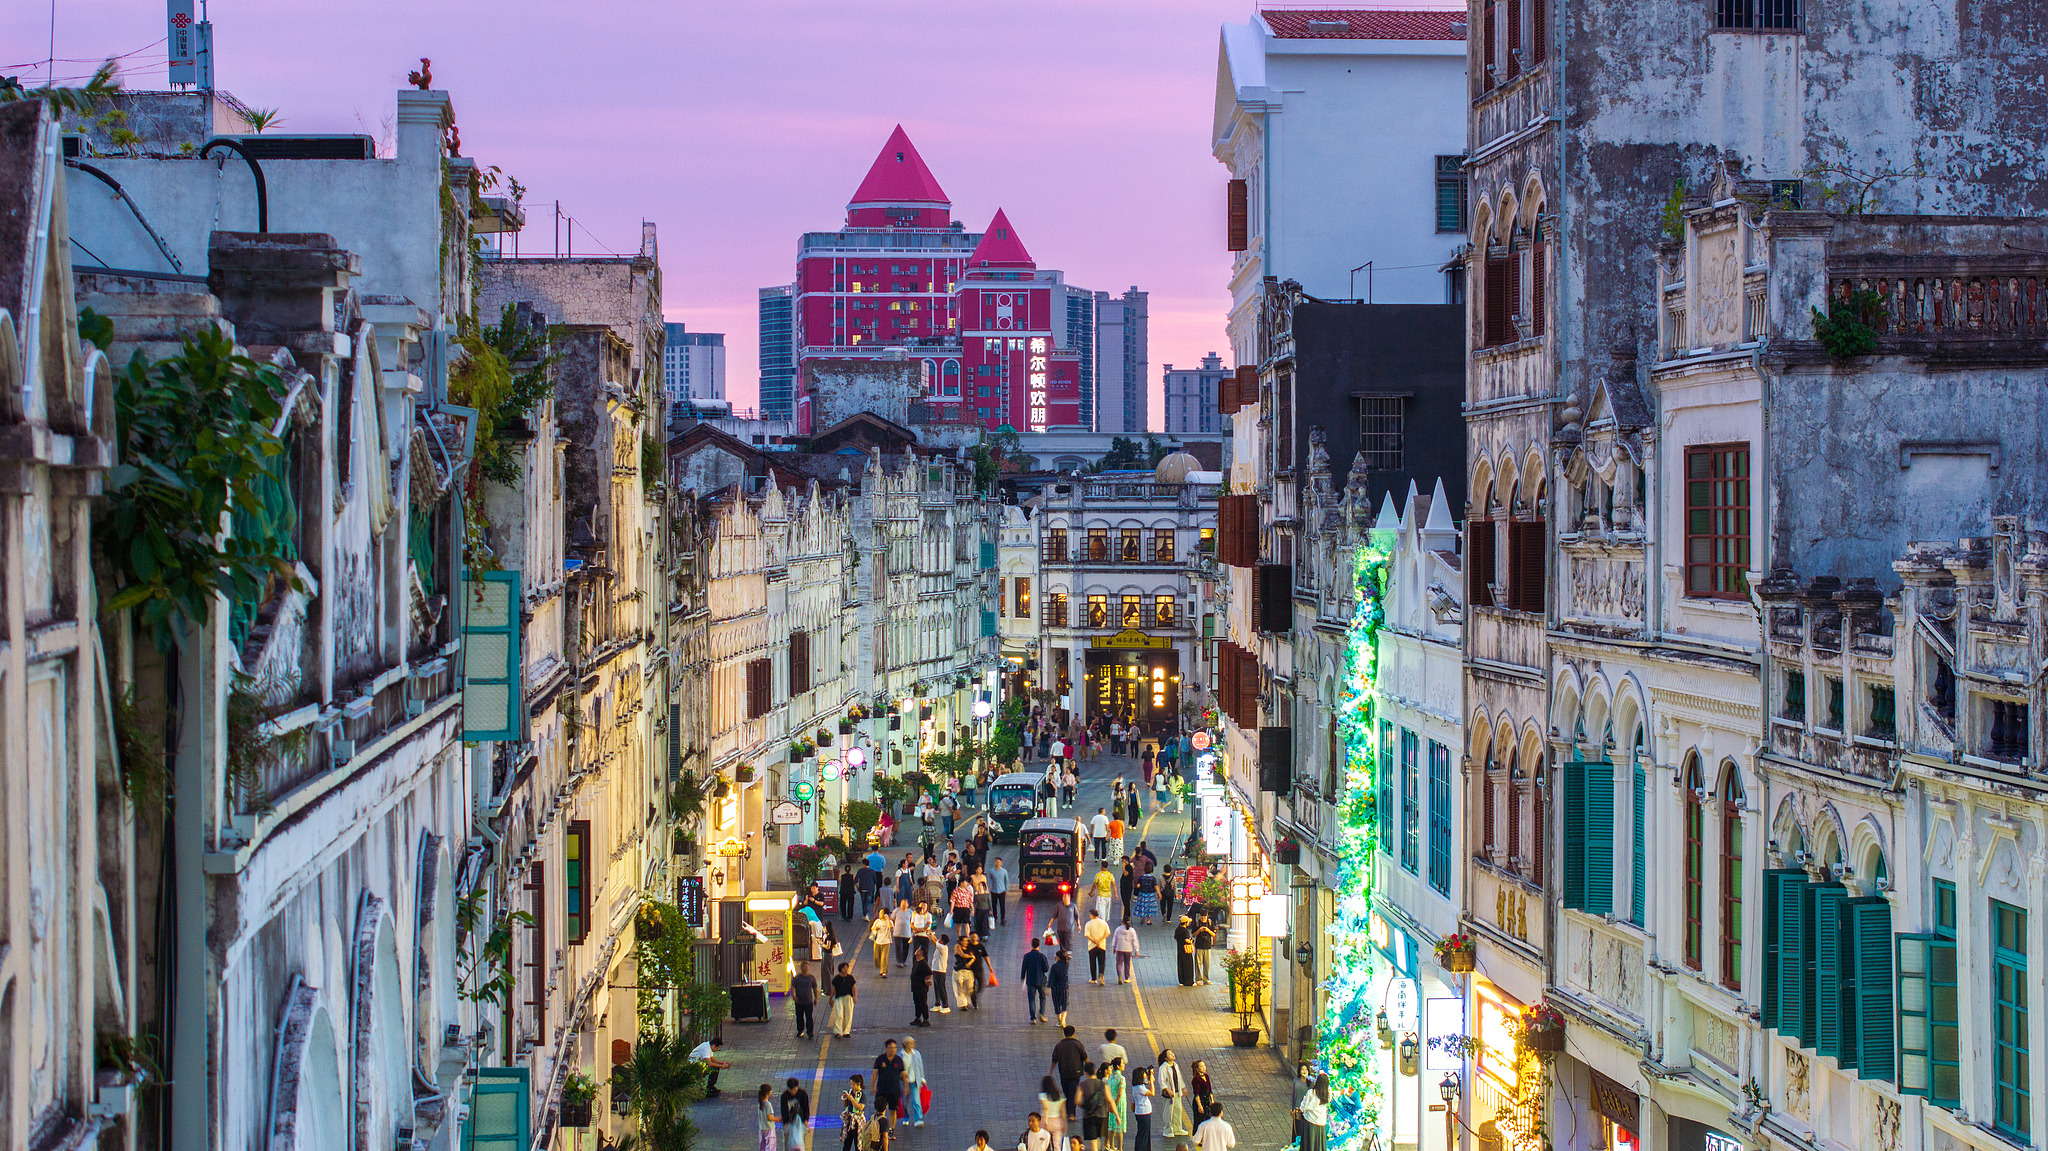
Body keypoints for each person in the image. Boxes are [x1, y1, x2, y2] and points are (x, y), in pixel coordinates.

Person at [1051, 1026, 1089, 1122]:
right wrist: (1090, 1068)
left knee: (1067, 1092)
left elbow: (1054, 1059)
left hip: (1063, 1073)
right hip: (1075, 1073)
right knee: (1073, 1093)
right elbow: (1085, 1057)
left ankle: (1068, 1112)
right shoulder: (1078, 1044)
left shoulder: (1059, 1045)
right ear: (1073, 1033)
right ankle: (1071, 1114)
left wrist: (1050, 1071)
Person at [1155, 1051, 1188, 1146]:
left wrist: (1183, 1087)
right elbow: (1161, 1081)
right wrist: (1167, 1089)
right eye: (1169, 1054)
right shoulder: (1163, 1067)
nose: (1172, 1054)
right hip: (1169, 1094)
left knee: (1178, 1110)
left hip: (1177, 1092)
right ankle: (1168, 1129)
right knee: (1169, 1111)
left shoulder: (1175, 1065)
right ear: (1165, 1058)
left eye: (1172, 1053)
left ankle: (1177, 1128)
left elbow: (1179, 1078)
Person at [872, 1039, 907, 1125]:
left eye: (894, 1048)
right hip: (882, 1089)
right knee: (879, 1111)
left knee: (893, 1110)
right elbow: (875, 1073)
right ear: (886, 1048)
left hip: (894, 1090)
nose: (893, 1050)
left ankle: (891, 1130)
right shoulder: (880, 1059)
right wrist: (873, 1086)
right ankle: (879, 1128)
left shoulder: (899, 1060)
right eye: (891, 1048)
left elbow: (903, 1074)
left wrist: (906, 1086)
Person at [1078, 1063, 1110, 1151]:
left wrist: (1085, 1106)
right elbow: (1110, 1099)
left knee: (1093, 1140)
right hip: (1101, 1114)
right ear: (1095, 1071)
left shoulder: (1083, 1084)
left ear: (1085, 1073)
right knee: (1098, 1138)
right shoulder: (1103, 1084)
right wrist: (1117, 1116)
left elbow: (1077, 1100)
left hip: (1089, 1115)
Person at [1296, 1072, 1329, 1151]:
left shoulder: (1311, 1092)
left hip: (1310, 1121)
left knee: (1309, 1142)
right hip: (1321, 1122)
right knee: (1319, 1143)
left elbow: (1303, 1106)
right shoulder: (1327, 1094)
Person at [1022, 938, 1052, 1022]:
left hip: (1031, 981)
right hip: (1041, 981)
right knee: (1042, 997)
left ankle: (1033, 1018)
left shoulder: (1027, 956)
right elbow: (1046, 969)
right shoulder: (1042, 956)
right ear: (1039, 945)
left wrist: (1023, 977)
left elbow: (1023, 968)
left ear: (1031, 945)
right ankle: (1042, 1014)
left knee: (1031, 999)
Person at [902, 1036, 928, 1127]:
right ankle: (906, 1117)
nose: (913, 1045)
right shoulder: (900, 1055)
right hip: (904, 1082)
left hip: (915, 1081)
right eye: (911, 1043)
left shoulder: (916, 1054)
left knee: (916, 1100)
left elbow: (920, 1067)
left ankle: (918, 1119)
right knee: (904, 1102)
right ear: (906, 1045)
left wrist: (922, 1078)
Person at [780, 1078, 811, 1151]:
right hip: (789, 1121)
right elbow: (784, 1110)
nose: (793, 1092)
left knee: (799, 1137)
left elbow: (806, 1107)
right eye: (791, 1090)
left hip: (800, 1119)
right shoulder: (784, 1096)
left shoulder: (802, 1094)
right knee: (787, 1140)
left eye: (794, 1090)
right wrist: (785, 1122)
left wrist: (806, 1120)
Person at [791, 962, 820, 1040]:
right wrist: (794, 996)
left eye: (806, 966)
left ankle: (810, 1032)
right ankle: (800, 1030)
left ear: (808, 968)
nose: (805, 968)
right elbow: (792, 987)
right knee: (799, 1017)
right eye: (803, 967)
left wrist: (816, 998)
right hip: (799, 1002)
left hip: (808, 1001)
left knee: (809, 1017)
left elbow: (815, 988)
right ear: (801, 968)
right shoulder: (797, 978)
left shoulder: (811, 978)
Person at [1037, 1076, 1069, 1147]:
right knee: (1057, 1145)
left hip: (1044, 1121)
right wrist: (1065, 1124)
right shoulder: (1061, 1096)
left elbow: (1045, 1108)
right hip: (1057, 1122)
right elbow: (1063, 1112)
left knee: (1043, 1144)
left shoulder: (1042, 1096)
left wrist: (1045, 1121)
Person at [830, 962, 859, 1037]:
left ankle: (846, 1031)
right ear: (840, 969)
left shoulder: (850, 978)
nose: (845, 969)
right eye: (844, 968)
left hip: (848, 997)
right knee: (839, 1014)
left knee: (848, 1014)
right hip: (839, 998)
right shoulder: (836, 978)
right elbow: (833, 988)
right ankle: (838, 1031)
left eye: (846, 968)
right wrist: (831, 998)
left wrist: (855, 996)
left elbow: (854, 987)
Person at [1105, 1060, 1128, 1151]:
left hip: (1110, 1102)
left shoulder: (1110, 1077)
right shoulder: (1121, 1078)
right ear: (1118, 1066)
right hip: (1119, 1103)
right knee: (1119, 1127)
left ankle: (1111, 1146)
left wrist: (1109, 1105)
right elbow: (1119, 1094)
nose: (1124, 1065)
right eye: (1122, 1063)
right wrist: (1115, 1104)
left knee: (1111, 1125)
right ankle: (1120, 1148)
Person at [839, 1076, 867, 1151]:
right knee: (847, 1142)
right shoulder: (850, 1091)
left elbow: (860, 1107)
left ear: (859, 1084)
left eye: (853, 1084)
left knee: (858, 1143)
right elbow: (845, 1105)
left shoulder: (862, 1095)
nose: (852, 1086)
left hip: (857, 1122)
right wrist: (844, 1098)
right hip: (849, 1120)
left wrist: (852, 1099)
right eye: (851, 1084)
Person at [1129, 1066, 1154, 1151]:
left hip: (1141, 1112)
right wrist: (1152, 1084)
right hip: (1144, 1113)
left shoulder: (1138, 1086)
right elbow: (1152, 1093)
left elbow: (1150, 1080)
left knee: (1144, 1133)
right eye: (1144, 1073)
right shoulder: (1140, 1088)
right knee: (1143, 1134)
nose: (1145, 1074)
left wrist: (1150, 1075)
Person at [954, 929, 979, 1010]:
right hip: (959, 970)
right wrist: (970, 957)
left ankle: (967, 1001)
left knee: (969, 987)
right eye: (964, 941)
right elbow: (962, 955)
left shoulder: (969, 948)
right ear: (960, 941)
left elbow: (973, 957)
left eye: (967, 941)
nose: (966, 942)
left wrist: (969, 963)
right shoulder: (957, 947)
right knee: (960, 987)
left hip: (968, 971)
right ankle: (962, 1005)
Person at [1084, 910, 1111, 984]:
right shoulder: (1103, 923)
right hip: (1102, 946)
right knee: (1101, 962)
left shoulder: (1088, 924)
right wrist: (1100, 940)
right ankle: (1101, 975)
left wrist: (1095, 941)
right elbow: (1108, 933)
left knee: (1092, 962)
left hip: (1092, 946)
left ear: (1092, 915)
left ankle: (1093, 978)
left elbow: (1087, 934)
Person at [1110, 919, 1141, 984]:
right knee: (1127, 964)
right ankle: (1127, 978)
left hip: (1119, 948)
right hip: (1128, 949)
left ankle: (1120, 975)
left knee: (1119, 963)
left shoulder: (1118, 929)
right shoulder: (1132, 930)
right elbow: (1134, 940)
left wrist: (1114, 947)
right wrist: (1136, 950)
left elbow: (1115, 938)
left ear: (1122, 922)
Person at [910, 943, 933, 1026]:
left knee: (922, 1003)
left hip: (921, 987)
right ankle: (918, 1018)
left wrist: (926, 980)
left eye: (918, 950)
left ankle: (926, 1019)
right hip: (915, 987)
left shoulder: (923, 963)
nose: (916, 951)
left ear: (921, 953)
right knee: (917, 1003)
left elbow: (930, 973)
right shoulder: (916, 961)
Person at [930, 933, 953, 1014]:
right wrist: (931, 934)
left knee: (941, 988)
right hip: (936, 969)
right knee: (937, 988)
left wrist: (929, 935)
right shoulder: (941, 946)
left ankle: (945, 1005)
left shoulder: (942, 948)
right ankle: (937, 1004)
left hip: (940, 970)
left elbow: (934, 941)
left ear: (942, 941)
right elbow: (936, 940)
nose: (938, 939)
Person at [1049, 948, 1073, 1026]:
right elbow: (1068, 958)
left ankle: (1059, 1021)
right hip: (1064, 987)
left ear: (1058, 957)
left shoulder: (1054, 966)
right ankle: (1063, 1020)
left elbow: (1051, 978)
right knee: (1064, 1004)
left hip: (1055, 988)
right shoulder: (1066, 964)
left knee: (1057, 1004)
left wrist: (1049, 987)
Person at [869, 909, 894, 977]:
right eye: (879, 913)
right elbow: (872, 928)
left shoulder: (889, 922)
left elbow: (891, 927)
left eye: (881, 913)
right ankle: (881, 967)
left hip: (886, 942)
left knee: (884, 957)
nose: (880, 914)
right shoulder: (877, 921)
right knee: (877, 957)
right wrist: (875, 928)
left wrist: (888, 919)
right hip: (877, 941)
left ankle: (883, 971)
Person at [1192, 917, 1216, 985]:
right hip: (1199, 946)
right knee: (1198, 963)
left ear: (1207, 916)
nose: (1203, 919)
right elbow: (1193, 935)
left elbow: (1213, 934)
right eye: (1202, 917)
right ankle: (1198, 979)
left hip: (1207, 946)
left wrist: (1207, 930)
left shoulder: (1210, 923)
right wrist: (1199, 930)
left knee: (1207, 963)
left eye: (1204, 917)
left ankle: (1206, 979)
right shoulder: (1197, 923)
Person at [1173, 916, 1195, 987]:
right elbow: (1186, 940)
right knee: (1188, 966)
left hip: (1180, 949)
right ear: (1186, 923)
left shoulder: (1177, 929)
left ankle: (1181, 981)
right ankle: (1189, 981)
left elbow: (1175, 938)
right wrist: (1191, 940)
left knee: (1181, 965)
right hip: (1186, 950)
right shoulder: (1185, 931)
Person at [891, 901, 915, 967]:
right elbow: (892, 918)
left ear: (908, 905)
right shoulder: (896, 911)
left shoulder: (910, 912)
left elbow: (912, 920)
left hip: (907, 932)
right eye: (902, 903)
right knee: (898, 947)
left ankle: (904, 960)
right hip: (897, 932)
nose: (903, 905)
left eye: (905, 903)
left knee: (906, 947)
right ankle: (899, 961)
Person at [989, 857, 1011, 924]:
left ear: (1001, 863)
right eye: (996, 862)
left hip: (1002, 890)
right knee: (994, 905)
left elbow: (1006, 880)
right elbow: (989, 880)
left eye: (999, 862)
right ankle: (995, 918)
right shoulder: (992, 871)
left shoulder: (1004, 871)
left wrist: (1006, 889)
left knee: (1002, 905)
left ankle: (1002, 919)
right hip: (994, 890)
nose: (997, 863)